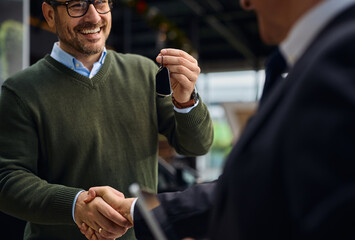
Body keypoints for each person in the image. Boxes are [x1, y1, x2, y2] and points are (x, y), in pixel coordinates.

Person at [80, 0, 355, 239]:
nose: (245, 3)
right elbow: (253, 190)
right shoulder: (318, 62)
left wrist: (186, 101)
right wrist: (135, 209)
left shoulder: (345, 56)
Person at [0, 0, 214, 239]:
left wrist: (186, 100)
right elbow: (7, 179)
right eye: (77, 5)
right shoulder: (20, 91)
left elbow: (197, 145)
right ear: (50, 14)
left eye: (101, 2)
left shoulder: (145, 72)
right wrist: (75, 205)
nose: (94, 17)